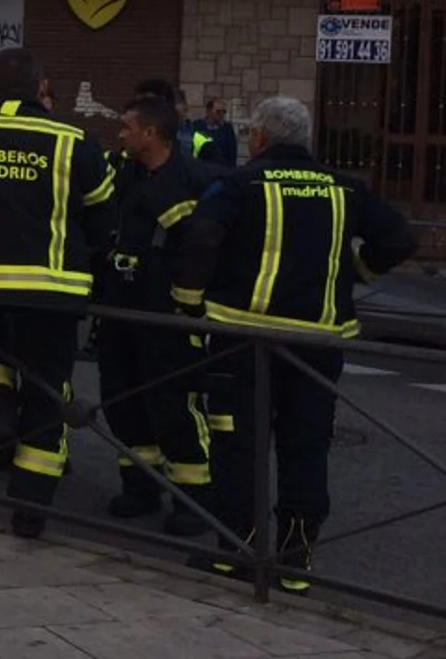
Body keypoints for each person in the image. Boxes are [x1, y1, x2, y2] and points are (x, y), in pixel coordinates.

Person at [172, 95, 415, 592]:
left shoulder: (239, 184)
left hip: (242, 341)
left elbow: (200, 242)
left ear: (258, 138)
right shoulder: (344, 188)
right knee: (306, 446)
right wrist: (358, 271)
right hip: (317, 346)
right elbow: (401, 239)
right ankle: (295, 559)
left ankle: (236, 550)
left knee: (238, 445)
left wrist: (189, 305)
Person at [0, 47, 114, 538]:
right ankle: (31, 507)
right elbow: (102, 216)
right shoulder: (75, 142)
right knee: (47, 392)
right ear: (41, 86)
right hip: (52, 288)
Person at [96, 94, 220, 537]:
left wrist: (189, 307)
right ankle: (141, 485)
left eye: (128, 126)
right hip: (119, 308)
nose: (121, 134)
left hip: (168, 314)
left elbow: (203, 248)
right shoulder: (120, 172)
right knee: (122, 401)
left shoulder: (195, 179)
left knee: (174, 405)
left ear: (151, 133)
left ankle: (195, 497)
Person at [196, 97, 237, 169]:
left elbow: (232, 154)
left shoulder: (227, 128)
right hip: (202, 172)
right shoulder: (198, 126)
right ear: (209, 111)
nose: (221, 115)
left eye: (224, 112)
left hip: (222, 172)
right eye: (218, 111)